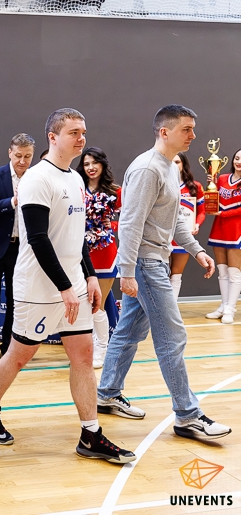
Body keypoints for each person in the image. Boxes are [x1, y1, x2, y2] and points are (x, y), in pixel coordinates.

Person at [0, 109, 136, 465]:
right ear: (53, 137)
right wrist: (63, 286)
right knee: (19, 355)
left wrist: (89, 276)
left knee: (84, 356)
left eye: (83, 132)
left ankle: (90, 434)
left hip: (73, 283)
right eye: (74, 132)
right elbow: (37, 238)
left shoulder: (75, 179)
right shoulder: (37, 178)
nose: (81, 139)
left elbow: (76, 236)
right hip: (38, 287)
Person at [98, 105, 231, 440]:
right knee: (173, 337)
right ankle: (188, 415)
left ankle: (107, 393)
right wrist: (127, 271)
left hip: (152, 260)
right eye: (186, 129)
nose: (193, 135)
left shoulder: (170, 167)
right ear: (164, 131)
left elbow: (173, 222)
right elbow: (130, 224)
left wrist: (196, 250)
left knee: (128, 332)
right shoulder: (147, 169)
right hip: (145, 264)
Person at [0, 133, 35, 373]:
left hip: (21, 249)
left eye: (27, 156)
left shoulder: (36, 177)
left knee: (15, 300)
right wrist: (12, 202)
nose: (22, 161)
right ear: (10, 153)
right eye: (18, 155)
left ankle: (7, 349)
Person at [76, 147, 121, 368]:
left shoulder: (115, 191)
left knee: (98, 305)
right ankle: (87, 348)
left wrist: (110, 225)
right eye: (86, 164)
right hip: (80, 253)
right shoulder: (76, 188)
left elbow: (129, 219)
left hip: (105, 253)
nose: (91, 167)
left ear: (103, 164)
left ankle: (102, 348)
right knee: (83, 305)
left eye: (94, 162)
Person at [206, 148, 241, 323]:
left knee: (234, 272)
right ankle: (224, 305)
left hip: (236, 228)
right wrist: (210, 186)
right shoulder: (222, 179)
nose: (239, 162)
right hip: (219, 227)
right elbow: (215, 199)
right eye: (237, 158)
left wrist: (223, 213)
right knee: (222, 270)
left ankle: (230, 309)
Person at [170, 153, 206, 300]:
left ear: (183, 164)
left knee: (176, 274)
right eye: (171, 161)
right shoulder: (162, 183)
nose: (174, 165)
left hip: (183, 236)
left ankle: (172, 307)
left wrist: (196, 224)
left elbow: (202, 211)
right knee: (161, 274)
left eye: (177, 162)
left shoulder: (195, 186)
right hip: (164, 236)